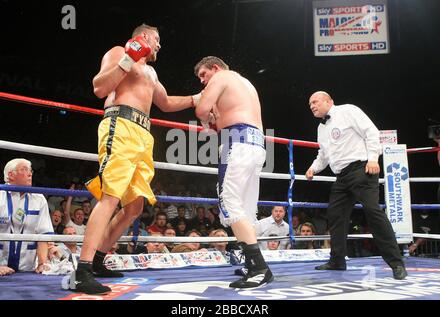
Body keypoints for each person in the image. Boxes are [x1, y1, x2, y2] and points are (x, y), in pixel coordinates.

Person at [71, 24, 199, 294]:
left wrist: (195, 99)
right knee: (110, 197)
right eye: (156, 39)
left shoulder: (151, 71)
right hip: (121, 124)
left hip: (143, 134)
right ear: (141, 37)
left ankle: (96, 260)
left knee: (134, 208)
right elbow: (99, 88)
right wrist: (128, 58)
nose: (160, 45)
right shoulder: (120, 51)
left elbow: (165, 103)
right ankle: (82, 271)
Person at [305, 91, 407, 280]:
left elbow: (371, 132)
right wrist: (313, 168)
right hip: (341, 177)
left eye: (315, 101)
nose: (311, 106)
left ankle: (396, 263)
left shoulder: (348, 111)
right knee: (335, 216)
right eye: (309, 103)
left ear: (329, 101)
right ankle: (337, 260)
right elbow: (324, 155)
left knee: (373, 212)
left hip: (362, 169)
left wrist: (373, 159)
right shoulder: (321, 129)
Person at [193, 56, 273, 288]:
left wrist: (207, 118)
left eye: (203, 75)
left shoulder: (222, 77)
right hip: (256, 145)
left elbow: (201, 109)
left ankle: (259, 268)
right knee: (246, 210)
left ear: (215, 68)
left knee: (229, 203)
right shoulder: (244, 83)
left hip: (236, 142)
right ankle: (251, 264)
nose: (203, 82)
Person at [0, 158, 53, 273]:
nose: (29, 174)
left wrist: (42, 263)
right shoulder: (0, 196)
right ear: (11, 175)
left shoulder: (38, 198)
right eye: (24, 169)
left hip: (27, 270)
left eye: (31, 171)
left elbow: (43, 234)